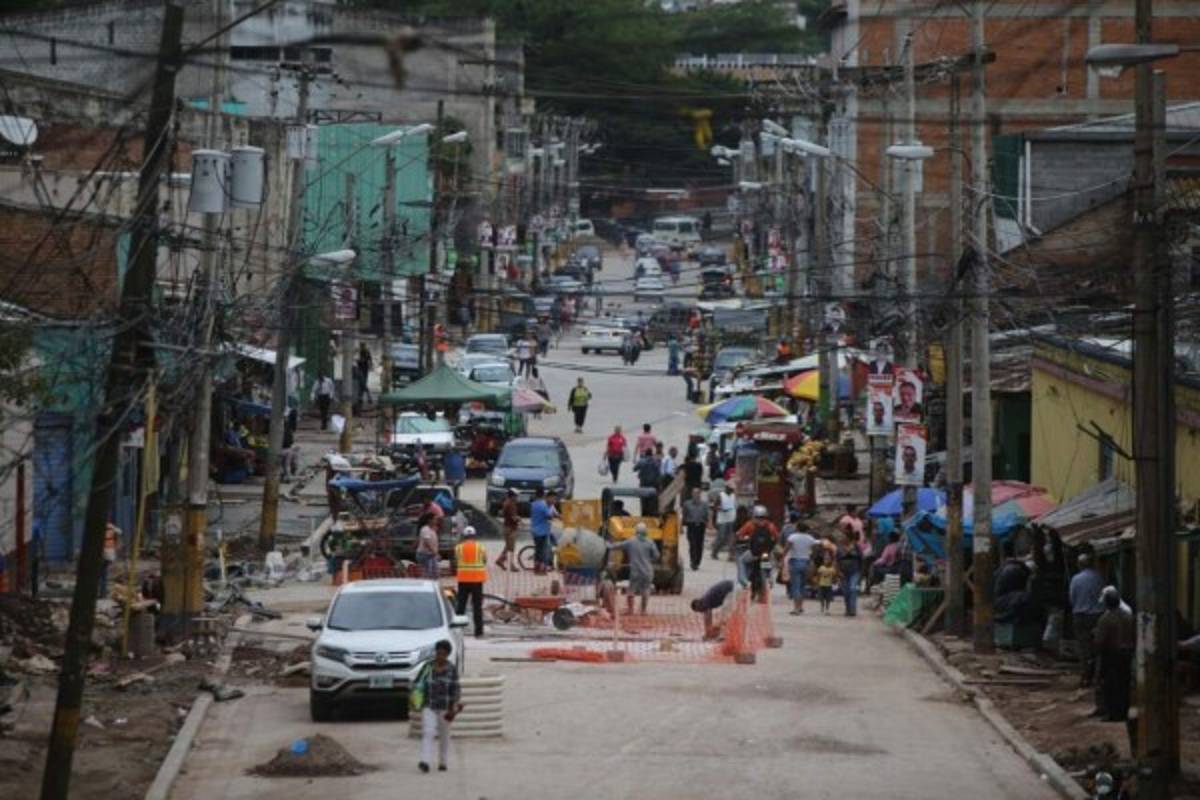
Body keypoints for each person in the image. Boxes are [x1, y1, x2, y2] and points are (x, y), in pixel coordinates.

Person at [413, 639, 461, 773]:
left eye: (443, 654)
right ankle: (425, 761)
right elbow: (418, 683)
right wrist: (415, 694)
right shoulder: (427, 667)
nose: (440, 656)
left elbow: (456, 688)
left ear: (447, 655)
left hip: (446, 707)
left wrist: (455, 705)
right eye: (438, 653)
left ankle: (443, 762)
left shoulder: (452, 669)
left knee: (444, 735)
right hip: (429, 705)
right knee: (428, 732)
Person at [1093, 586, 1134, 721]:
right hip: (1127, 653)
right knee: (1124, 684)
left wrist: (1095, 653)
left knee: (1110, 685)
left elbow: (1100, 641)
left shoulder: (1106, 619)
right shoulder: (1128, 615)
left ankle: (1113, 713)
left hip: (1112, 654)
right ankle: (1123, 712)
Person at [1069, 553, 1106, 688]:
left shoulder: (1076, 579)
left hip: (1080, 615)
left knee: (1084, 647)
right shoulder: (1100, 578)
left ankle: (1086, 676)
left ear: (1079, 565)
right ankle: (1097, 676)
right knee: (1098, 647)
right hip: (1098, 616)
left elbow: (1072, 598)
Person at [609, 523, 660, 615]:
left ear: (636, 531)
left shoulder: (631, 541)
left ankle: (630, 610)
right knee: (646, 590)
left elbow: (617, 546)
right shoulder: (650, 542)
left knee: (631, 590)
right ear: (646, 532)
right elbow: (657, 556)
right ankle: (643, 611)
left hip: (635, 571)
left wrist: (607, 545)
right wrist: (649, 560)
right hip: (647, 571)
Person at [734, 505, 779, 601]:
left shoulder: (750, 524)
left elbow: (738, 535)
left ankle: (745, 581)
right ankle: (770, 580)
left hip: (753, 553)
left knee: (741, 560)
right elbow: (776, 537)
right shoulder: (770, 525)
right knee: (769, 567)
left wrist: (745, 539)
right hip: (766, 553)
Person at [454, 526, 487, 637]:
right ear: (474, 536)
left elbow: (456, 560)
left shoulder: (458, 548)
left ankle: (457, 631)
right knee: (477, 607)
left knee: (461, 606)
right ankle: (479, 632)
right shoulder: (480, 547)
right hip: (477, 581)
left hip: (463, 580)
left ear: (464, 536)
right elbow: (484, 560)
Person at [784, 520, 817, 615]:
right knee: (802, 585)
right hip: (806, 562)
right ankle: (801, 606)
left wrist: (782, 558)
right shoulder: (810, 538)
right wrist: (811, 557)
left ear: (797, 528)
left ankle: (796, 608)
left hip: (795, 562)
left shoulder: (792, 537)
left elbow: (787, 548)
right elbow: (815, 548)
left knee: (796, 586)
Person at [681, 487, 710, 571]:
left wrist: (708, 523)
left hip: (701, 526)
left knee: (699, 545)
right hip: (691, 526)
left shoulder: (704, 504)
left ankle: (697, 561)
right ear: (692, 494)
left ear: (700, 494)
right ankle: (693, 561)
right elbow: (684, 515)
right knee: (692, 544)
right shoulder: (687, 504)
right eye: (694, 493)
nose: (696, 495)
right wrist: (681, 527)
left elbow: (707, 515)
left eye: (697, 493)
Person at [529, 489, 559, 573]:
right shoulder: (543, 505)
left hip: (535, 531)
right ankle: (542, 570)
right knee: (543, 552)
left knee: (538, 552)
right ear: (544, 496)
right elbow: (549, 516)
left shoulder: (533, 504)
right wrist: (553, 516)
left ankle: (536, 568)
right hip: (543, 532)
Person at [838, 529, 866, 617]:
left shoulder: (856, 547)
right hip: (843, 572)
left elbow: (861, 559)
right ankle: (847, 609)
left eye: (844, 536)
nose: (842, 538)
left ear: (848, 538)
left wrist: (862, 571)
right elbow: (836, 560)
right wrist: (838, 571)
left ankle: (852, 610)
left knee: (852, 588)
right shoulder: (840, 547)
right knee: (846, 591)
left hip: (855, 571)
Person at [712, 483, 737, 561]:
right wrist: (721, 509)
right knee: (721, 538)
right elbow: (715, 507)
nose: (732, 491)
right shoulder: (721, 496)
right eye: (730, 489)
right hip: (722, 520)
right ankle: (714, 552)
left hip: (732, 519)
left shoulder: (733, 496)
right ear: (726, 489)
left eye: (732, 490)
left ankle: (731, 555)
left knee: (731, 538)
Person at [496, 489, 520, 571]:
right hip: (511, 528)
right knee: (511, 548)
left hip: (507, 527)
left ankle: (500, 560)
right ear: (512, 496)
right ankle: (511, 565)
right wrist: (519, 520)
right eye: (516, 496)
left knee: (508, 546)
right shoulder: (511, 504)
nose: (517, 497)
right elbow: (514, 518)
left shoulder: (507, 503)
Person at [416, 512, 439, 579]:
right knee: (428, 574)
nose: (436, 521)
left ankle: (433, 586)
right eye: (435, 519)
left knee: (435, 573)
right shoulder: (425, 529)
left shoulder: (432, 529)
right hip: (425, 555)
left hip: (431, 554)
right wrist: (435, 552)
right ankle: (425, 586)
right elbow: (427, 542)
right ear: (430, 520)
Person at [100, 522, 119, 598]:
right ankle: (103, 593)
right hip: (109, 555)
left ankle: (102, 593)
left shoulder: (102, 532)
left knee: (102, 575)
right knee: (103, 575)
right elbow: (119, 531)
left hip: (104, 555)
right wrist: (113, 527)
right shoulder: (112, 531)